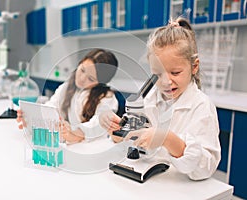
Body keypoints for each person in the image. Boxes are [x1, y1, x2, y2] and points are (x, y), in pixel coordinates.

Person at [99, 18, 221, 181]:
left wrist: (167, 139)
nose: (165, 82)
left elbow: (206, 168)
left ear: (194, 66)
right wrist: (118, 133)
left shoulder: (201, 106)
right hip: (149, 185)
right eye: (157, 74)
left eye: (175, 73)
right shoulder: (149, 98)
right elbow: (135, 145)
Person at [17, 48, 119, 144]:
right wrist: (31, 119)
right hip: (69, 145)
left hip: (92, 149)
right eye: (82, 70)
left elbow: (98, 124)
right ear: (79, 63)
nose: (82, 79)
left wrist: (74, 133)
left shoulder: (107, 98)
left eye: (91, 79)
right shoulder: (66, 87)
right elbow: (50, 108)